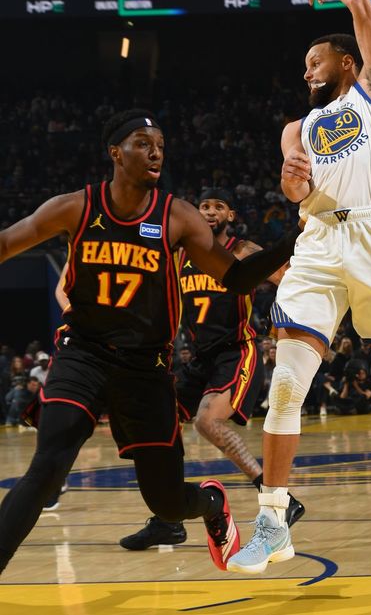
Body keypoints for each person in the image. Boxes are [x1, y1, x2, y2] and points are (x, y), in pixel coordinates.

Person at [0, 109, 301, 576]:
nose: (155, 152)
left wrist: (292, 241)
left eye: (160, 144)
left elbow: (238, 278)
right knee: (47, 467)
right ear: (116, 153)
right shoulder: (75, 207)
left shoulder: (176, 216)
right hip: (83, 355)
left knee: (167, 501)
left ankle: (211, 504)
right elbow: (6, 243)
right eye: (143, 143)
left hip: (145, 370)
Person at [228, 0, 371, 575]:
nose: (307, 73)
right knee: (286, 386)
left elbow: (365, 10)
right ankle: (272, 521)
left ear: (347, 62)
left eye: (314, 62)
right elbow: (296, 188)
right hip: (317, 242)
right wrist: (292, 181)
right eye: (303, 67)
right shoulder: (297, 128)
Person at [119, 188, 304, 550]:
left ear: (230, 216)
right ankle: (168, 519)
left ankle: (279, 497)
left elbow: (292, 282)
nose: (209, 211)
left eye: (218, 206)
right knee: (158, 423)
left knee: (206, 421)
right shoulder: (182, 255)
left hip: (237, 351)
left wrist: (285, 328)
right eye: (204, 206)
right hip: (200, 357)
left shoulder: (244, 251)